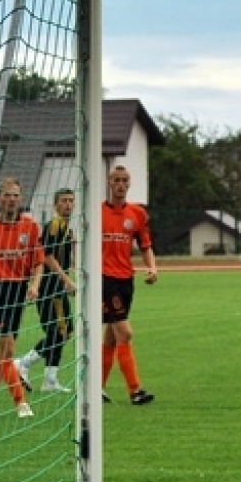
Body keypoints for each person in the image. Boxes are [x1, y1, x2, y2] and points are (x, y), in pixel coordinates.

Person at [101, 165, 157, 405]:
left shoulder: (137, 214)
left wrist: (152, 267)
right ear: (109, 183)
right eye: (116, 180)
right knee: (125, 332)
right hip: (105, 280)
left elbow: (145, 245)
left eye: (125, 180)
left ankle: (96, 389)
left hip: (126, 280)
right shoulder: (96, 212)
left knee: (112, 338)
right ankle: (135, 391)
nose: (121, 185)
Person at [0, 178, 43, 418]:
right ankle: (21, 402)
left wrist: (34, 285)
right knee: (7, 347)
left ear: (21, 199)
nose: (11, 200)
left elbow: (39, 262)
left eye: (15, 196)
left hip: (18, 291)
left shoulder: (30, 227)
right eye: (7, 195)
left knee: (4, 352)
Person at [17, 188, 77, 393]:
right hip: (50, 288)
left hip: (57, 287)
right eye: (64, 201)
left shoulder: (66, 227)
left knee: (65, 331)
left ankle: (50, 380)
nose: (68, 204)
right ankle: (23, 363)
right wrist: (66, 279)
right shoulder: (55, 225)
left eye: (71, 200)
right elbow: (48, 256)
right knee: (59, 332)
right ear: (55, 204)